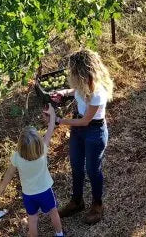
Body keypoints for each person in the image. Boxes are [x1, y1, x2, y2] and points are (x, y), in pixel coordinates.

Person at [47, 49, 114, 225]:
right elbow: (76, 90)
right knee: (76, 166)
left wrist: (58, 120)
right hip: (78, 131)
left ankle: (97, 204)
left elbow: (85, 121)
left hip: (94, 132)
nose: (71, 75)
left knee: (93, 170)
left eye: (74, 72)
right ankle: (77, 201)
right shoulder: (83, 83)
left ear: (84, 73)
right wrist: (64, 92)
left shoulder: (98, 93)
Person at [0, 109, 66, 237]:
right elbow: (50, 129)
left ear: (20, 145)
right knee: (53, 212)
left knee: (32, 219)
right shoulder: (43, 150)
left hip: (29, 194)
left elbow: (9, 174)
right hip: (45, 191)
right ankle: (59, 233)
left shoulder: (17, 157)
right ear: (38, 143)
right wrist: (52, 115)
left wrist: (2, 188)